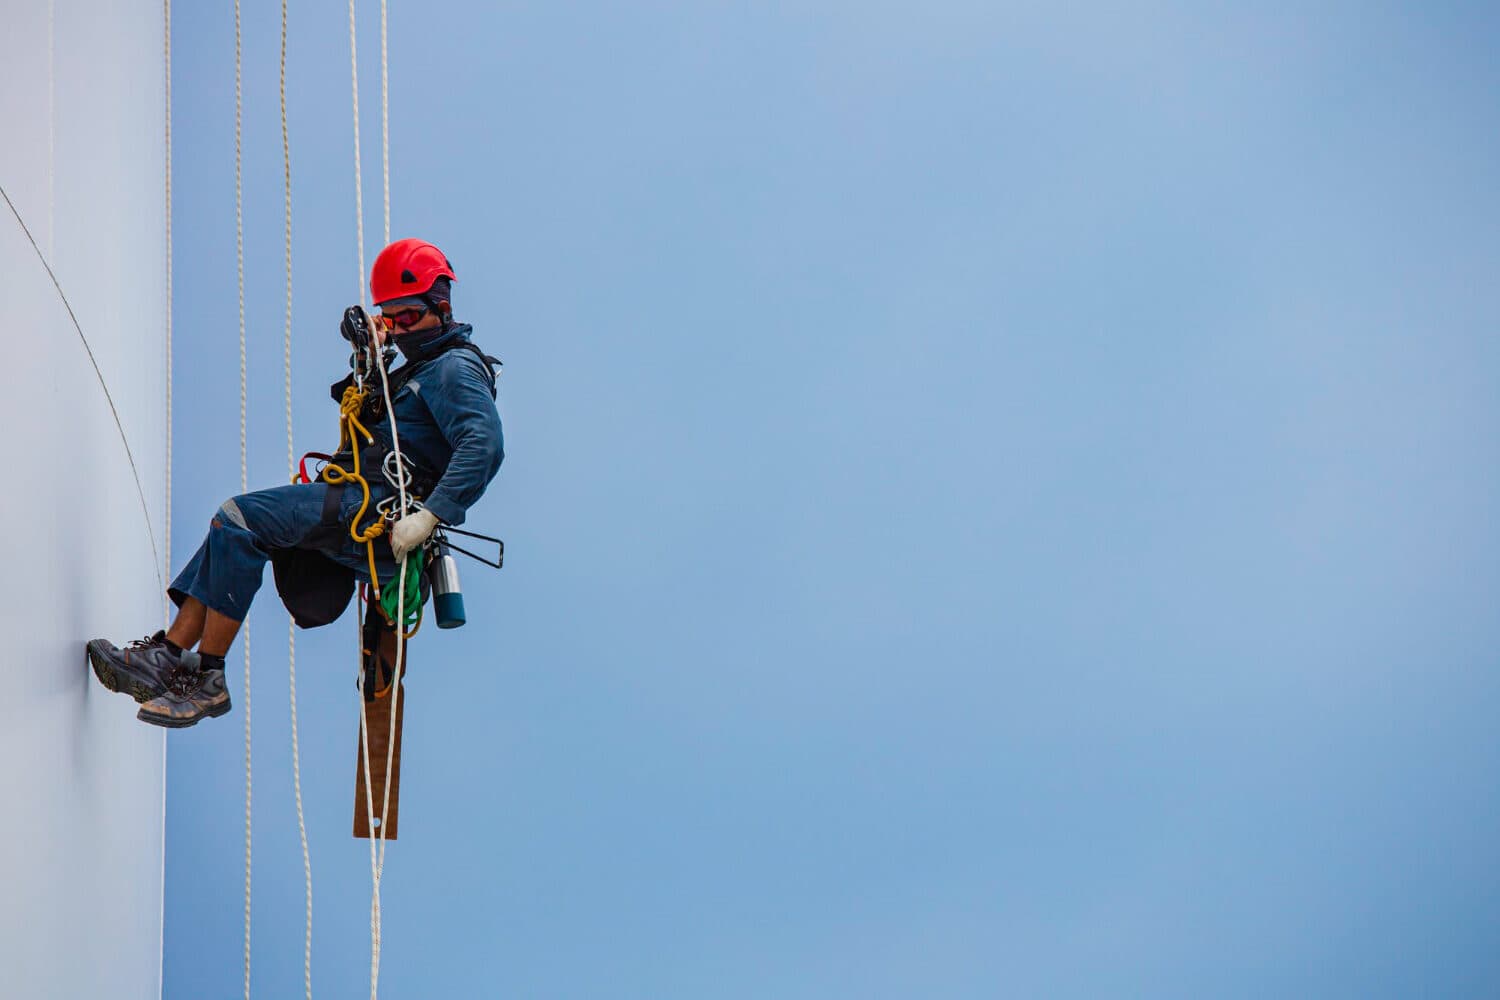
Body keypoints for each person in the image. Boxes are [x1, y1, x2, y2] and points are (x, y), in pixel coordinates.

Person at [86, 238, 504, 729]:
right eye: (390, 319)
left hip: (378, 511)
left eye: (407, 318)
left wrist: (429, 515)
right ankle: (171, 655)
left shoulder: (454, 368)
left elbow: (484, 444)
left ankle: (205, 677)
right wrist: (368, 358)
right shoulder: (414, 369)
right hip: (360, 501)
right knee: (232, 529)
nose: (399, 329)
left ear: (442, 307)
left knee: (239, 518)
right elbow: (372, 424)